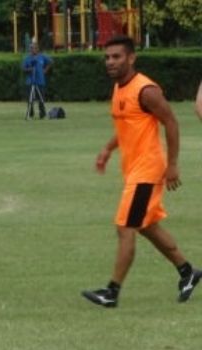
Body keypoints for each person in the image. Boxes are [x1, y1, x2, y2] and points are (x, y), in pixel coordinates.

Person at [81, 35, 202, 308]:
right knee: (146, 226)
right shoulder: (119, 88)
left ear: (131, 58)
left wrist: (173, 164)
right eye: (107, 57)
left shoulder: (145, 90)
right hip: (134, 170)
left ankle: (111, 292)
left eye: (117, 56)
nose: (110, 62)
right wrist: (108, 149)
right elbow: (128, 125)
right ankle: (187, 272)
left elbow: (171, 122)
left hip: (147, 171)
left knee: (125, 227)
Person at [22, 42, 52, 119]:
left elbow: (50, 62)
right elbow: (24, 69)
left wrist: (45, 70)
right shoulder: (27, 58)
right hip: (30, 81)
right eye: (31, 48)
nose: (33, 50)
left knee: (41, 98)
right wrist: (30, 69)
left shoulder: (42, 56)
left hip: (40, 81)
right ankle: (30, 114)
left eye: (35, 48)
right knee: (30, 99)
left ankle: (42, 114)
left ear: (38, 49)